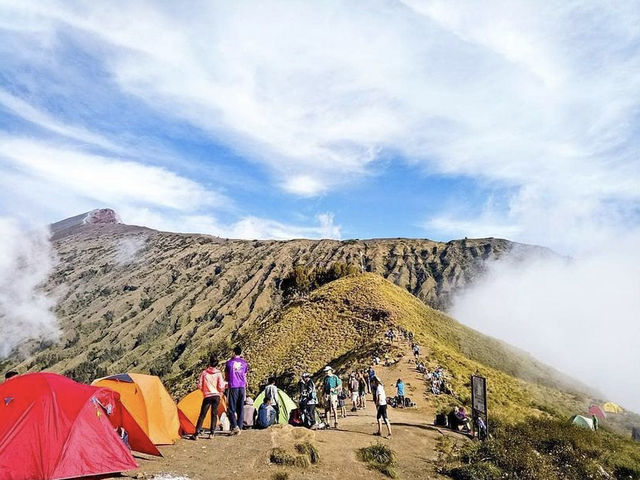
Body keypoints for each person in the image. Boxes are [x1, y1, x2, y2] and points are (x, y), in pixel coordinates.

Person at [190, 356, 225, 440]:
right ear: (216, 364)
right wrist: (220, 391)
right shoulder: (218, 373)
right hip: (216, 395)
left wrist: (204, 390)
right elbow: (221, 385)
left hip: (207, 396)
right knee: (214, 414)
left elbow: (199, 385)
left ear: (210, 362)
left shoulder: (204, 373)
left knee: (202, 415)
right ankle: (212, 433)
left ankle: (196, 433)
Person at [225, 346, 248, 435]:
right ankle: (239, 426)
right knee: (240, 407)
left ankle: (235, 426)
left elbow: (226, 376)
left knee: (231, 408)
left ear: (234, 352)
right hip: (242, 386)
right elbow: (245, 375)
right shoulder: (244, 363)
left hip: (233, 386)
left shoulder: (229, 363)